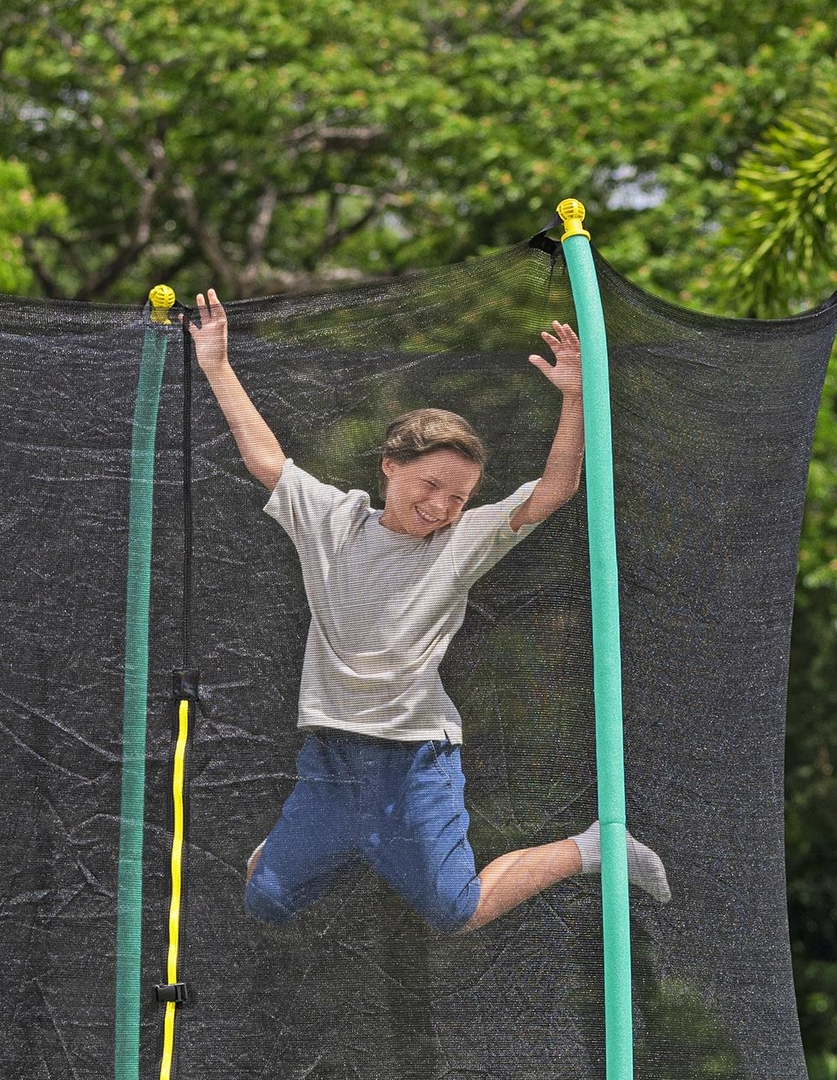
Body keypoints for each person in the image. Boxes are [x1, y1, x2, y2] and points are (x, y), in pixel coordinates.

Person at [187, 288, 673, 936]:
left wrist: (577, 397)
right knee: (265, 899)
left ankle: (593, 849)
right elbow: (266, 460)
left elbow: (555, 490)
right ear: (391, 467)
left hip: (415, 761)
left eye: (458, 496)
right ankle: (301, 851)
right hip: (333, 758)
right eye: (430, 486)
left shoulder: (461, 542)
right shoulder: (332, 521)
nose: (442, 506)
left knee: (455, 911)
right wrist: (217, 365)